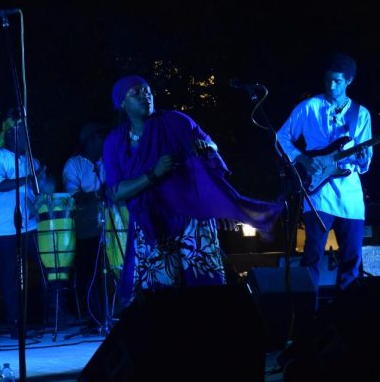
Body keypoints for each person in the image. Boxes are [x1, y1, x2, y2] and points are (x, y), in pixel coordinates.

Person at [103, 75, 283, 305]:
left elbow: (212, 145)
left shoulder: (176, 121)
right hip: (152, 223)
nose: (145, 95)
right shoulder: (115, 142)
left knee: (205, 290)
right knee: (161, 297)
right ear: (121, 103)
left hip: (192, 219)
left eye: (147, 90)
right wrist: (153, 174)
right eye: (135, 93)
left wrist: (204, 146)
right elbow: (116, 192)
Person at [277, 52, 372, 291]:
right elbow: (280, 138)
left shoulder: (361, 114)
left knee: (352, 259)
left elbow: (364, 163)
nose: (331, 85)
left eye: (338, 81)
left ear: (349, 81)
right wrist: (302, 159)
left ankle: (345, 317)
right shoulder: (309, 107)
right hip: (318, 192)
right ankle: (308, 315)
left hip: (349, 195)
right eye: (328, 79)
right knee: (312, 255)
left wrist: (362, 159)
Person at [0, 113, 48, 338]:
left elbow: (39, 192)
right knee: (10, 275)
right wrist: (29, 179)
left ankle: (49, 315)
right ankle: (15, 323)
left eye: (28, 131)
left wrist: (45, 184)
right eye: (22, 131)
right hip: (4, 227)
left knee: (45, 265)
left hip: (30, 224)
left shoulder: (32, 161)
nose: (27, 135)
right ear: (10, 134)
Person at [62, 122, 108, 326]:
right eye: (99, 139)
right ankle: (95, 316)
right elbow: (73, 195)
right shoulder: (74, 164)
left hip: (111, 226)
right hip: (87, 229)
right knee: (91, 274)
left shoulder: (107, 160)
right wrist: (99, 194)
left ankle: (112, 311)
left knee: (111, 270)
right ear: (90, 142)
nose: (103, 143)